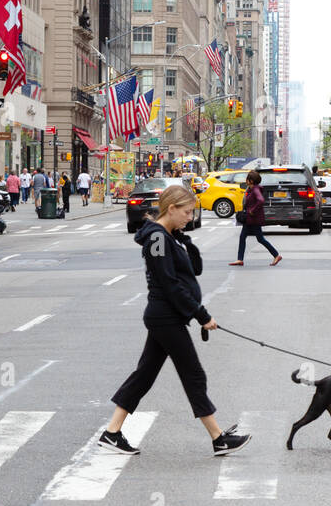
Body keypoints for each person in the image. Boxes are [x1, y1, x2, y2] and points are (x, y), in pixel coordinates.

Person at [98, 185, 250, 457]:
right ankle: (218, 439)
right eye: (187, 212)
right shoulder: (157, 238)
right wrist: (201, 315)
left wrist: (184, 239)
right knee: (193, 374)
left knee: (144, 375)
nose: (190, 217)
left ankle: (111, 433)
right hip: (165, 316)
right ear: (172, 208)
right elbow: (170, 285)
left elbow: (195, 270)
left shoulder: (169, 236)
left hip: (167, 317)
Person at [230, 172, 281, 267]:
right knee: (244, 237)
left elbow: (260, 200)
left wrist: (252, 210)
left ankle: (276, 255)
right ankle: (240, 259)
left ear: (251, 181)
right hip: (251, 219)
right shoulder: (251, 189)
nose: (246, 180)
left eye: (247, 179)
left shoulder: (255, 189)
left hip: (254, 219)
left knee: (259, 239)